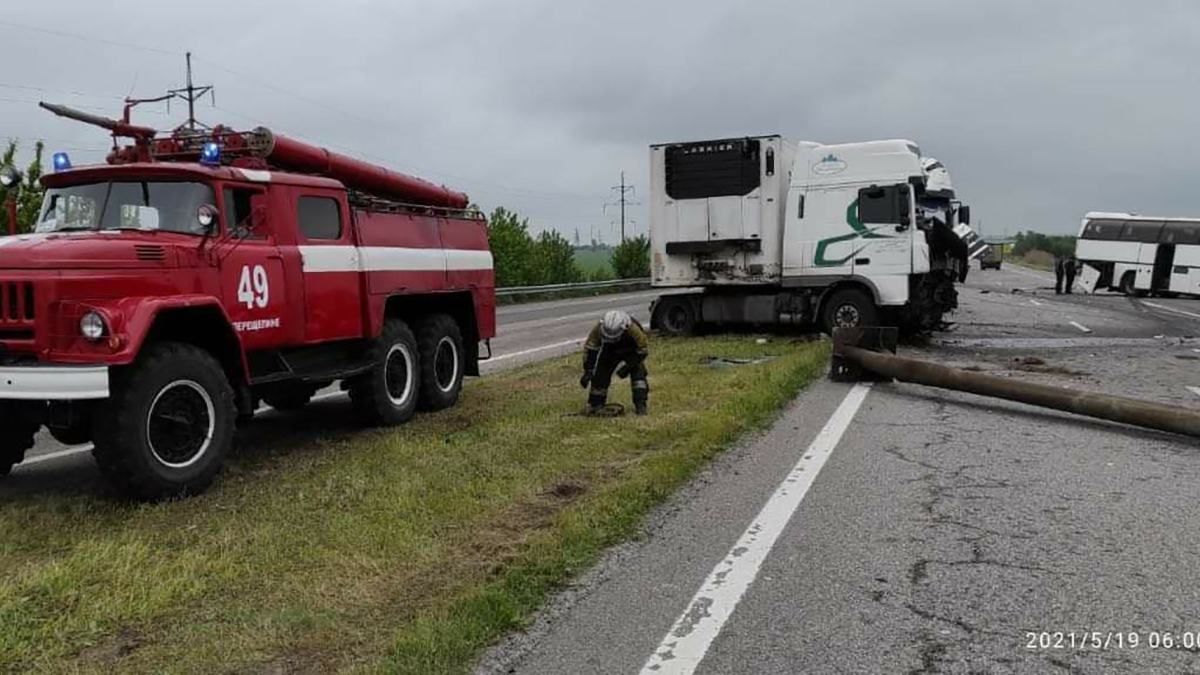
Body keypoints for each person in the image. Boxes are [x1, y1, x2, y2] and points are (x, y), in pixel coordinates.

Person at [580, 310, 649, 415]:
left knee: (638, 375)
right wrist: (588, 371)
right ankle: (596, 404)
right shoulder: (598, 328)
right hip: (610, 349)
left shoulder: (633, 329)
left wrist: (628, 366)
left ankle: (641, 405)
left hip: (631, 349)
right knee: (600, 374)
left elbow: (643, 350)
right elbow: (591, 349)